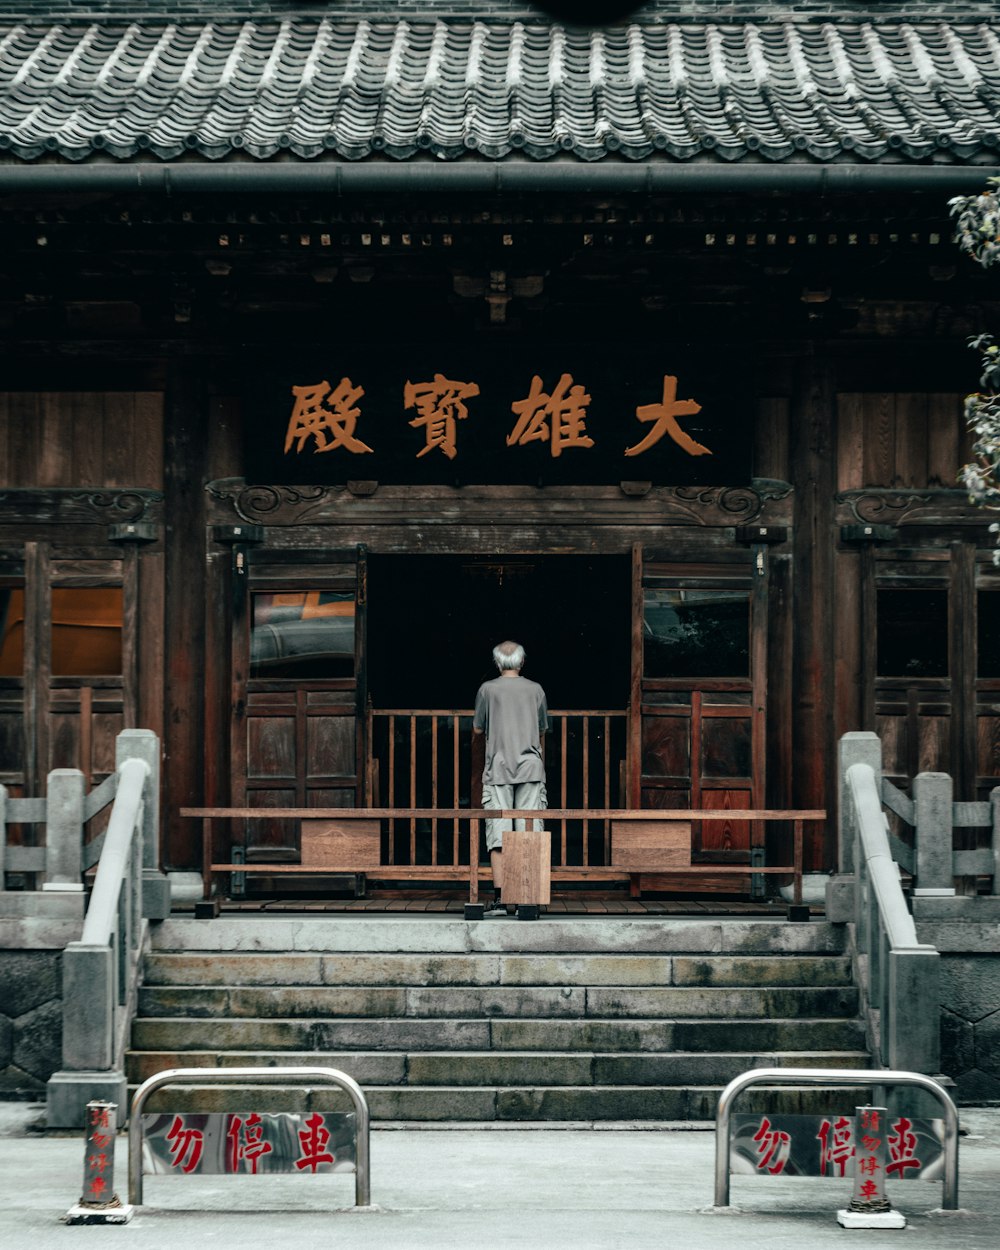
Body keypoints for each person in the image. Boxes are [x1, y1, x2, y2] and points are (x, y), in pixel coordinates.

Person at [473, 640, 549, 916]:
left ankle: (502, 898)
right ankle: (529, 897)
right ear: (521, 662)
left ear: (497, 663)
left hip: (498, 769)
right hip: (530, 768)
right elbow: (543, 728)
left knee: (499, 834)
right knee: (528, 832)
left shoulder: (487, 690)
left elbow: (478, 729)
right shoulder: (536, 690)